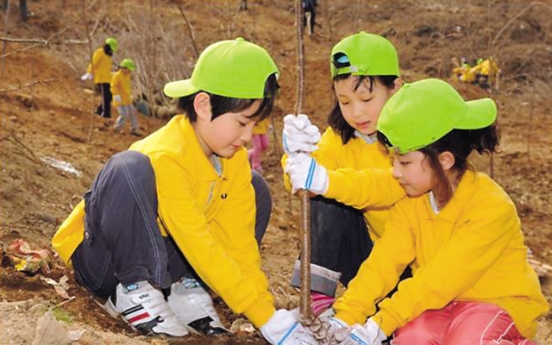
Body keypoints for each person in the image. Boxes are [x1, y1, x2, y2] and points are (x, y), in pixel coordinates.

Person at [53, 37, 318, 344]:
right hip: (107, 264)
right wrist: (263, 315)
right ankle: (135, 293)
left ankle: (186, 291)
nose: (247, 136)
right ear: (203, 105)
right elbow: (195, 238)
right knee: (130, 167)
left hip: (164, 262)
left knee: (257, 189)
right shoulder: (167, 154)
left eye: (254, 125)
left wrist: (267, 312)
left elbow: (240, 243)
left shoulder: (232, 161)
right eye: (243, 122)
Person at [287, 78, 549, 344]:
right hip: (438, 305)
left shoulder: (490, 206)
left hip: (495, 304)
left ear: (444, 160)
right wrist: (345, 316)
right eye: (393, 161)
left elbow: (441, 278)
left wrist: (379, 324)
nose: (395, 172)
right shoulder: (412, 200)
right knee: (410, 339)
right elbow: (384, 262)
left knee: (469, 340)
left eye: (404, 162)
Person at [281, 32, 406, 318]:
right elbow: (303, 184)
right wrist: (297, 158)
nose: (357, 112)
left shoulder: (415, 136)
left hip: (414, 265)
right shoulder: (340, 137)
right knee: (324, 195)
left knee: (331, 185)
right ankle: (318, 303)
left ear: (395, 88)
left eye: (366, 98)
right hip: (367, 260)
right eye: (345, 102)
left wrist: (328, 181)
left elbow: (391, 184)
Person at [81, 37, 118, 119]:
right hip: (101, 79)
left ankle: (99, 110)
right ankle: (105, 114)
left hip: (107, 79)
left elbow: (106, 69)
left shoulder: (107, 57)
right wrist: (89, 72)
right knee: (105, 96)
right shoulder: (99, 53)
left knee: (109, 96)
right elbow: (94, 63)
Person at [111, 58, 140, 136]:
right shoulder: (117, 76)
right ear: (124, 68)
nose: (130, 71)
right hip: (119, 99)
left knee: (133, 112)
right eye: (129, 69)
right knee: (124, 114)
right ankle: (117, 128)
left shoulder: (127, 75)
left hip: (127, 98)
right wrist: (116, 95)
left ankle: (134, 128)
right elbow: (113, 87)